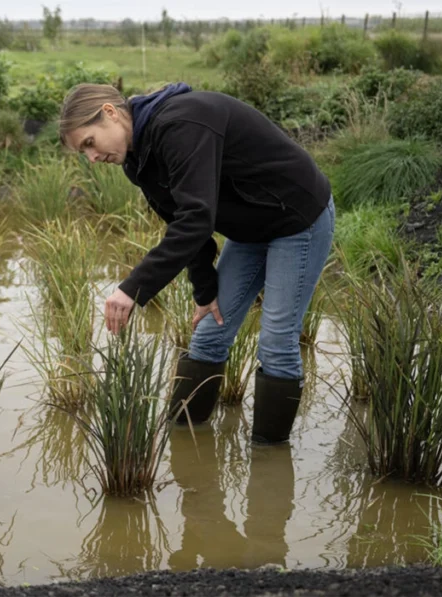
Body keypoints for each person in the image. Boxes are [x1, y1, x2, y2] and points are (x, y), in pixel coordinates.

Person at [58, 82, 335, 445]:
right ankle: (183, 443)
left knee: (276, 341)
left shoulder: (182, 124)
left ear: (110, 113)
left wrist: (132, 289)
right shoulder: (137, 162)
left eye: (90, 143)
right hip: (250, 229)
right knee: (209, 333)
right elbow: (183, 223)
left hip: (297, 218)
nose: (93, 158)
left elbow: (196, 220)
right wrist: (205, 292)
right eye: (84, 152)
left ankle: (268, 458)